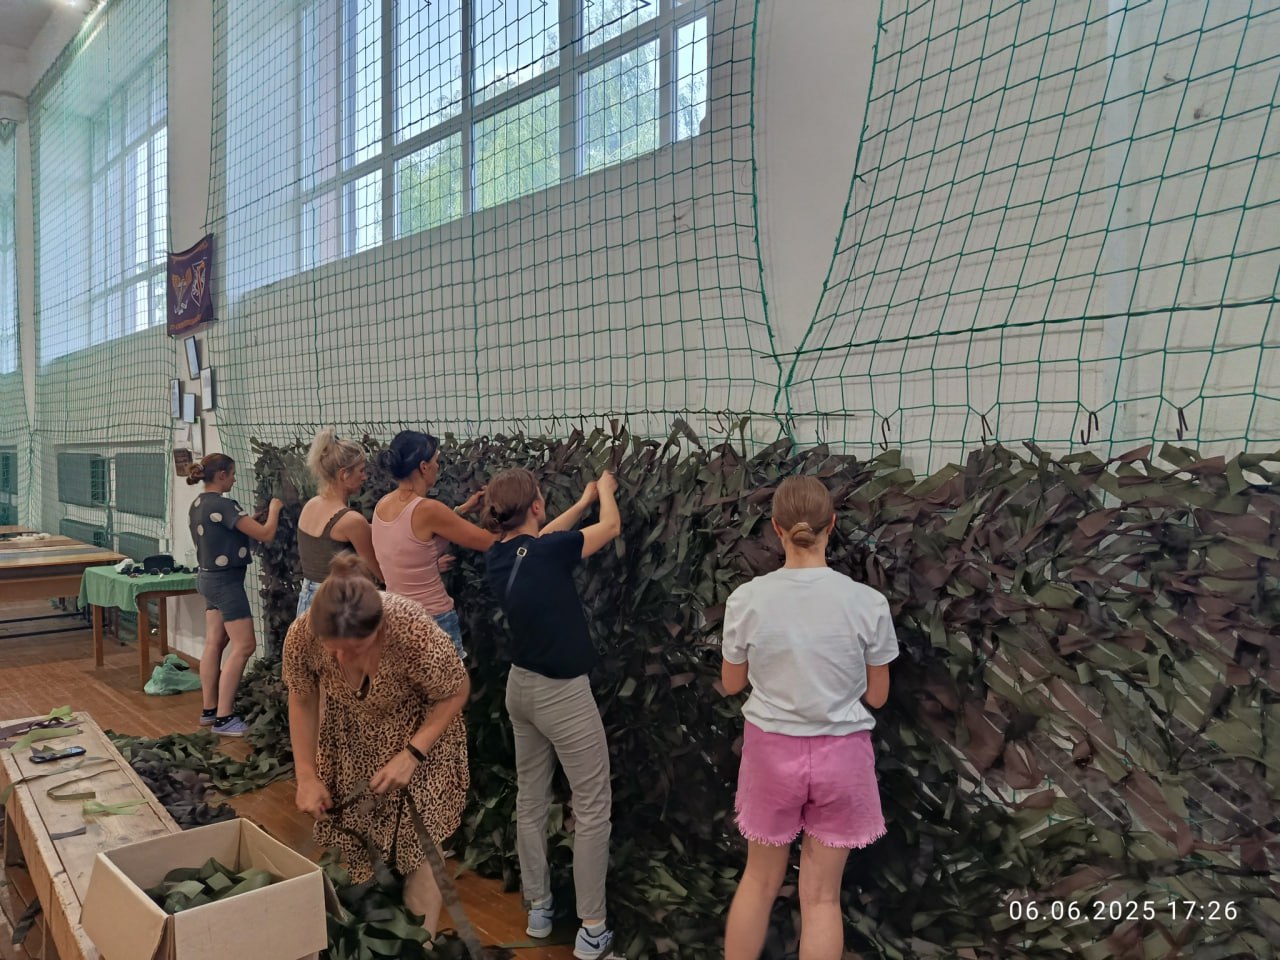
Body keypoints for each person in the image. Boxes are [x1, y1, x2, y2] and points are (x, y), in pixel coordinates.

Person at [719, 476, 898, 960]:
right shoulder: (868, 603)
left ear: (776, 528)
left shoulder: (747, 599)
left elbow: (732, 683)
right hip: (843, 757)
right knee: (821, 898)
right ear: (832, 525)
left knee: (758, 882)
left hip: (770, 753)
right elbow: (878, 697)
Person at [283, 554, 470, 936]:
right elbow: (302, 698)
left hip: (423, 739)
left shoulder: (411, 629)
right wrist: (306, 775)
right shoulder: (302, 635)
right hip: (351, 739)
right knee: (356, 842)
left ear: (379, 629)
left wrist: (412, 754)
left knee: (422, 848)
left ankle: (421, 944)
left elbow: (455, 691)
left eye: (354, 647)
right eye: (331, 646)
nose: (340, 657)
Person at [481, 467, 620, 960]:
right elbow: (611, 529)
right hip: (563, 695)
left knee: (531, 800)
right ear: (535, 506)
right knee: (592, 806)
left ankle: (539, 909)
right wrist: (604, 494)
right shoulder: (547, 552)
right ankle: (593, 930)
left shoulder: (499, 556)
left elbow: (541, 537)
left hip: (521, 690)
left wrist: (580, 503)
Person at [372, 430, 492, 657]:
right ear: (424, 467)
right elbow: (487, 542)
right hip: (432, 619)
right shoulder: (428, 510)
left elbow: (416, 539)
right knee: (448, 692)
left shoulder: (382, 505)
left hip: (395, 618)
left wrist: (462, 510)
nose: (438, 466)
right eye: (436, 460)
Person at [187, 453, 283, 737]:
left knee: (214, 642)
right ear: (221, 476)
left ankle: (209, 710)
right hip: (226, 582)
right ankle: (225, 717)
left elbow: (227, 531)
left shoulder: (199, 504)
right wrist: (275, 509)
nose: (234, 479)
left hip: (207, 579)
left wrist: (246, 520)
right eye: (231, 474)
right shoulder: (224, 504)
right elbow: (265, 534)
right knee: (244, 646)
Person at [297, 428, 383, 616]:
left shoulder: (311, 506)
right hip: (336, 604)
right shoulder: (350, 520)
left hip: (307, 600)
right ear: (344, 474)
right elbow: (377, 571)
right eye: (361, 471)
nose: (365, 477)